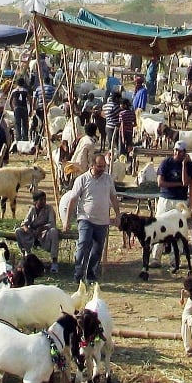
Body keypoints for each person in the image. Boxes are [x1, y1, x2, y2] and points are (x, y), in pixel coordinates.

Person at [63, 154, 121, 282]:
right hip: (86, 218)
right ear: (92, 165)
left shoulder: (108, 179)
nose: (102, 169)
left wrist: (118, 214)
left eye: (103, 167)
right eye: (99, 166)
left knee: (97, 249)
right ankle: (78, 274)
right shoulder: (82, 180)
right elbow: (73, 200)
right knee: (83, 244)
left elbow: (113, 197)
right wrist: (66, 221)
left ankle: (90, 274)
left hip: (102, 221)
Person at [149, 140, 192, 268]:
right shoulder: (166, 163)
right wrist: (178, 184)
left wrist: (185, 165)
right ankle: (155, 258)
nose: (176, 153)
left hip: (180, 200)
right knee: (159, 227)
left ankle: (175, 259)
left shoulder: (189, 166)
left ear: (184, 153)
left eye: (180, 151)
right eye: (175, 150)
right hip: (166, 198)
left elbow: (186, 182)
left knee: (179, 230)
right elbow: (160, 183)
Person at [15, 191, 61, 273]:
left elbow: (52, 223)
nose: (43, 201)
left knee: (54, 231)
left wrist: (42, 228)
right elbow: (24, 223)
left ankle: (54, 262)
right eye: (41, 200)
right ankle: (26, 254)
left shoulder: (49, 208)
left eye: (44, 199)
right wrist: (27, 229)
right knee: (18, 231)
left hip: (44, 234)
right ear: (35, 201)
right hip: (32, 233)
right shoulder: (32, 209)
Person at [31, 75, 55, 142]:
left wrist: (33, 109)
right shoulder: (52, 88)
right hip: (48, 109)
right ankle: (40, 140)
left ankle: (39, 139)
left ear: (43, 81)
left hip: (39, 109)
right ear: (49, 81)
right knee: (46, 125)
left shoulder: (38, 88)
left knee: (41, 124)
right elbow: (54, 99)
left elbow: (34, 99)